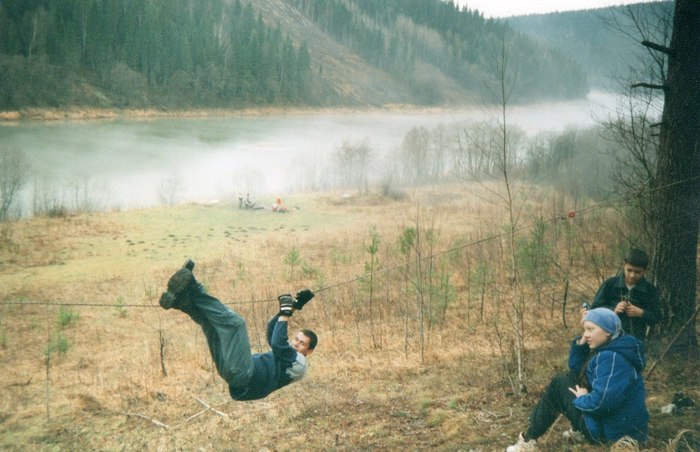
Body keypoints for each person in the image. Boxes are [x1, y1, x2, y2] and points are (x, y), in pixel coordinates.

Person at [159, 259, 318, 401]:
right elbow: (272, 330)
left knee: (236, 324)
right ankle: (182, 301)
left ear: (309, 351)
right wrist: (294, 307)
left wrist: (286, 312)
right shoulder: (285, 356)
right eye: (296, 339)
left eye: (302, 343)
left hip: (245, 375)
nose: (296, 343)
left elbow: (277, 343)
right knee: (212, 328)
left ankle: (194, 287)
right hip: (235, 373)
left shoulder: (300, 364)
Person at [506, 308, 648, 451]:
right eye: (584, 330)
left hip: (609, 435)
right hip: (616, 428)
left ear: (608, 331)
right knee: (569, 378)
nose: (586, 335)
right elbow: (577, 370)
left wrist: (582, 398)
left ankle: (528, 440)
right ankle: (571, 431)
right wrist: (581, 344)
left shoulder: (611, 359)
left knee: (559, 384)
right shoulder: (611, 348)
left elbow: (603, 402)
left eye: (590, 329)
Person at [589, 248, 662, 342]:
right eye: (629, 270)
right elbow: (594, 309)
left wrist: (641, 313)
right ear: (624, 265)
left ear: (645, 271)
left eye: (637, 272)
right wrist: (613, 310)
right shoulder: (610, 284)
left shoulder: (650, 290)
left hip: (636, 339)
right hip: (609, 337)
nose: (632, 275)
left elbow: (657, 317)